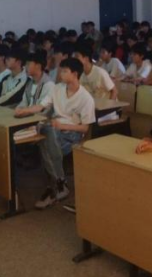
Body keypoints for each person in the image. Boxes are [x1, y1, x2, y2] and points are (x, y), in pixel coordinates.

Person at [15, 58, 95, 209]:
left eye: (64, 71)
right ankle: (59, 184)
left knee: (45, 141)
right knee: (47, 136)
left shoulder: (86, 98)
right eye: (61, 70)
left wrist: (62, 125)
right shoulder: (57, 89)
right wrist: (24, 110)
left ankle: (53, 188)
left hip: (72, 134)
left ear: (75, 74)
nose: (60, 74)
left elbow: (85, 128)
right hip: (54, 131)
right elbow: (41, 106)